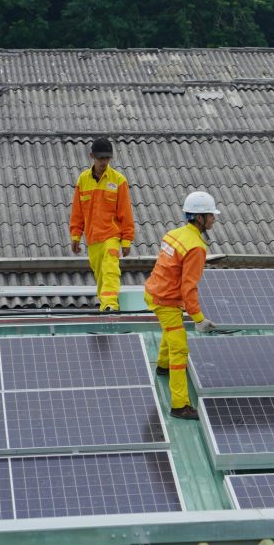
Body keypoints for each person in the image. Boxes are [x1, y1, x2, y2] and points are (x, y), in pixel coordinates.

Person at [144, 191, 222, 420]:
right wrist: (199, 319)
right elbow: (189, 287)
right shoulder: (196, 247)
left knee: (172, 330)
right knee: (179, 349)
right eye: (211, 215)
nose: (214, 218)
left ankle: (163, 366)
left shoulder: (173, 234)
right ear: (199, 218)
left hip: (153, 291)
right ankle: (180, 405)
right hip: (165, 300)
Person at [69, 138, 135, 312]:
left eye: (107, 158)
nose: (104, 162)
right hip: (92, 239)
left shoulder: (118, 180)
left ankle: (111, 304)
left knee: (110, 269)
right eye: (100, 158)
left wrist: (126, 240)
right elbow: (77, 212)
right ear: (92, 156)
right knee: (100, 276)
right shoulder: (83, 180)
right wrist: (75, 236)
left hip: (111, 236)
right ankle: (104, 307)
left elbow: (125, 212)